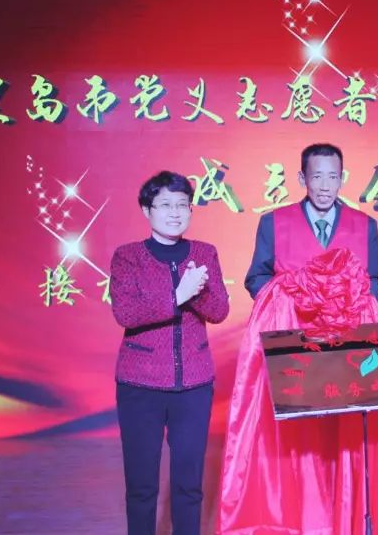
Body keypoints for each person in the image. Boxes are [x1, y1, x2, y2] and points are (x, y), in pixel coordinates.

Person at [218, 143, 378, 534]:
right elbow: (256, 278)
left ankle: (348, 518)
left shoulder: (364, 225)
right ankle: (299, 520)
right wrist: (295, 302)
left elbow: (374, 281)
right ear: (302, 178)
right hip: (294, 351)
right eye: (317, 177)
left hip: (348, 350)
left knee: (345, 435)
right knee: (299, 438)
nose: (325, 186)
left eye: (333, 177)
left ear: (342, 178)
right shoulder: (274, 223)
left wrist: (345, 306)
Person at [109, 171, 229, 535]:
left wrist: (197, 291)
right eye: (164, 205)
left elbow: (219, 311)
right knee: (141, 486)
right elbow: (126, 313)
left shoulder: (205, 253)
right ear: (147, 210)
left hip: (193, 385)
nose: (175, 213)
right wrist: (179, 294)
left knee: (189, 485)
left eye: (182, 205)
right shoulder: (128, 257)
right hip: (139, 386)